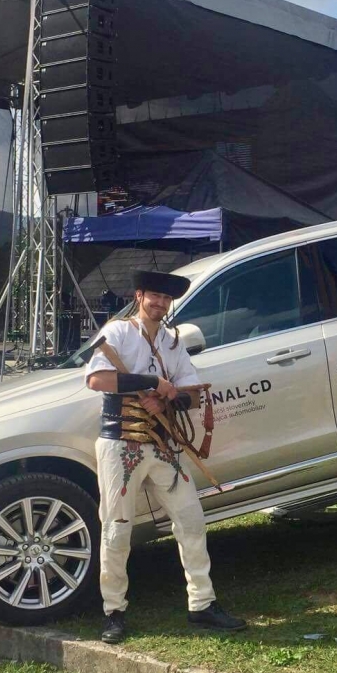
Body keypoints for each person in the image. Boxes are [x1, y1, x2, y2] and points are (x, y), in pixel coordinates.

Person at [84, 269, 247, 644]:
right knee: (117, 527)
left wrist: (170, 399)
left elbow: (194, 394)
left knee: (191, 519)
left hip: (163, 444)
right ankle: (113, 611)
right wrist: (152, 383)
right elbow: (97, 380)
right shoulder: (118, 332)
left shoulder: (172, 342)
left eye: (166, 298)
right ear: (139, 296)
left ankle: (202, 603)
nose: (160, 303)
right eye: (154, 296)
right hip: (120, 443)